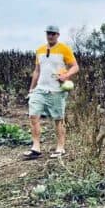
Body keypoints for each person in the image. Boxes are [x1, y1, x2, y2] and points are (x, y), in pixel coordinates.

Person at [23, 25, 79, 159]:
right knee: (33, 115)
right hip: (40, 89)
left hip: (57, 90)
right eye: (49, 33)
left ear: (58, 35)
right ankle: (36, 148)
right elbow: (37, 70)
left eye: (53, 34)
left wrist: (66, 76)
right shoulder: (40, 50)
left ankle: (60, 148)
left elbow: (75, 66)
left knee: (58, 119)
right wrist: (32, 88)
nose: (51, 36)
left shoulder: (64, 49)